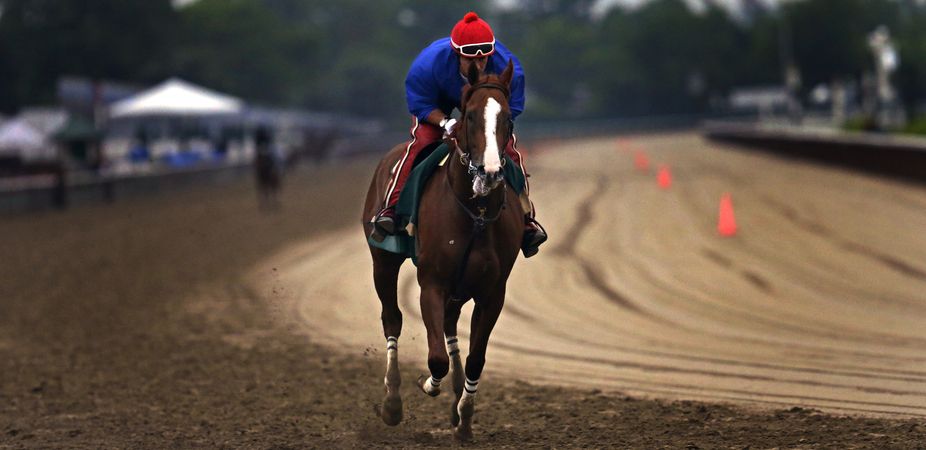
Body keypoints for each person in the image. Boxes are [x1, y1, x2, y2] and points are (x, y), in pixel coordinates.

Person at [372, 11, 547, 257]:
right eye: (470, 60)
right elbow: (420, 104)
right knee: (421, 142)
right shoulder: (428, 65)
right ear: (457, 55)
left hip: (485, 102)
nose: (479, 65)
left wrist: (487, 129)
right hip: (438, 103)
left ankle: (527, 219)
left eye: (485, 59)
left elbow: (510, 111)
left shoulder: (511, 71)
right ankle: (391, 208)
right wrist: (446, 123)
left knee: (509, 150)